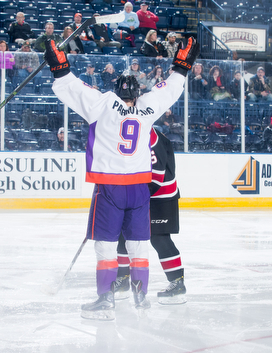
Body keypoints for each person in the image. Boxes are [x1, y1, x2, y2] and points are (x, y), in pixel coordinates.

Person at [43, 36, 199, 319]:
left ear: (115, 90)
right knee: (139, 243)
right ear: (137, 93)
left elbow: (72, 87)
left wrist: (60, 67)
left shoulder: (102, 104)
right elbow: (171, 89)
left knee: (105, 244)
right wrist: (182, 66)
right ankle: (141, 296)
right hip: (140, 189)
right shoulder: (147, 107)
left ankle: (105, 300)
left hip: (111, 188)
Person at [115, 127, 186, 305]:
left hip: (161, 197)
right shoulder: (139, 132)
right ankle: (123, 279)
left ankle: (177, 282)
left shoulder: (151, 136)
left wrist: (137, 195)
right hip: (145, 194)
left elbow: (157, 174)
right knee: (124, 234)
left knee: (159, 238)